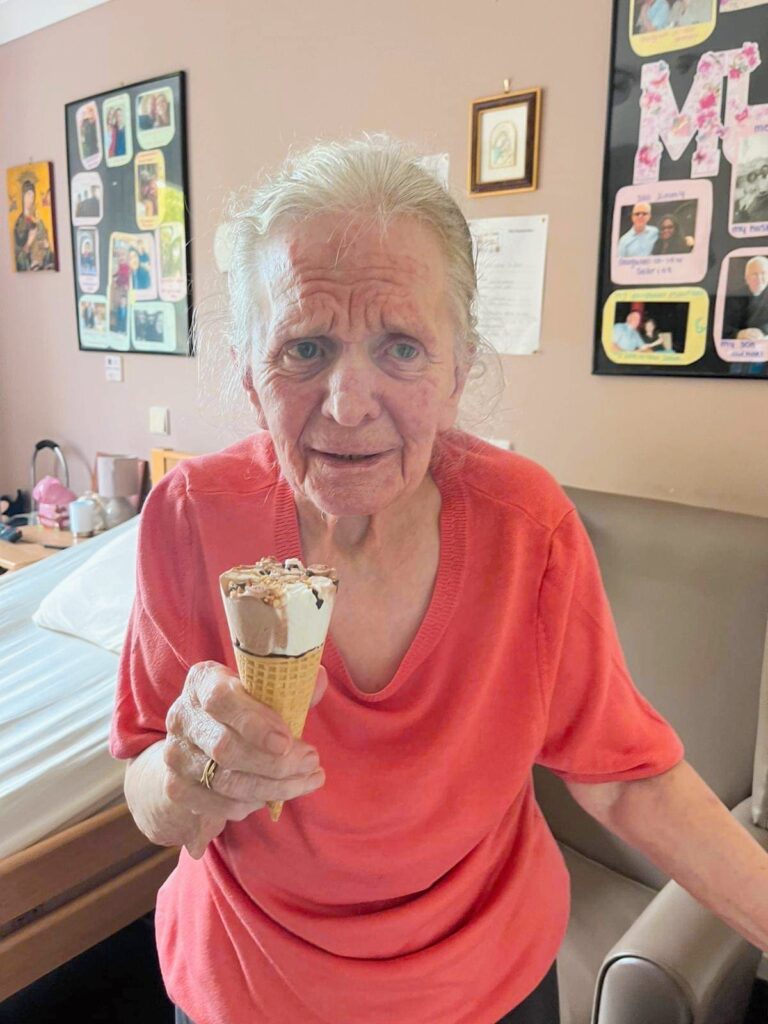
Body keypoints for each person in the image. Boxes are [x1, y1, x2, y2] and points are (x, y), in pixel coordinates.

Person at [111, 136, 768, 1024]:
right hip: (249, 984)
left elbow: (624, 777)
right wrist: (184, 777)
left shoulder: (527, 531)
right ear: (249, 375)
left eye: (401, 348)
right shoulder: (190, 515)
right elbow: (146, 784)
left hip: (485, 984)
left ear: (459, 371)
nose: (348, 403)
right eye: (304, 347)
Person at [13, 180, 53, 271]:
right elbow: (18, 256)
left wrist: (47, 246)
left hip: (43, 267)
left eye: (32, 196)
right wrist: (29, 242)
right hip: (29, 269)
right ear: (22, 196)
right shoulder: (19, 223)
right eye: (28, 195)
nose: (30, 199)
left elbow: (48, 250)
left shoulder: (39, 222)